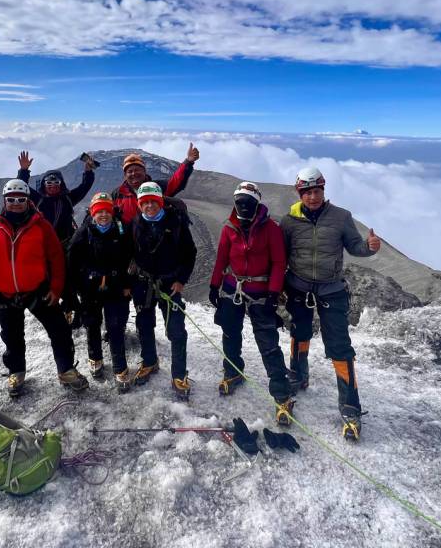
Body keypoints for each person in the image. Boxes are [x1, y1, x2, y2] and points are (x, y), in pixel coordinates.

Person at [279, 167, 381, 440]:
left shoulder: (341, 217)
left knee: (339, 346)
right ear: (299, 193)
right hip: (298, 287)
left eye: (317, 191)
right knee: (299, 333)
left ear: (323, 191)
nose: (313, 197)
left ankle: (350, 406)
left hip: (331, 290)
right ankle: (299, 375)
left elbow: (354, 246)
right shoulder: (288, 221)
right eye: (307, 192)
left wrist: (369, 247)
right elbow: (281, 256)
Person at [0, 179, 88, 396]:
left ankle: (65, 370)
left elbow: (56, 257)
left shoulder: (41, 226)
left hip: (37, 290)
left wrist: (56, 288)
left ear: (29, 201)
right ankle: (16, 372)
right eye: (11, 199)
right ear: (4, 201)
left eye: (21, 199)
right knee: (12, 337)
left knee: (59, 331)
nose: (16, 203)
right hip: (5, 293)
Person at [209, 182, 300, 423]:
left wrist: (273, 293)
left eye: (247, 202)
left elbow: (280, 263)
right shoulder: (229, 227)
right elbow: (221, 259)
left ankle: (282, 395)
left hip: (260, 291)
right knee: (230, 333)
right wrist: (213, 285)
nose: (243, 206)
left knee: (268, 342)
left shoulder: (271, 229)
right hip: (232, 287)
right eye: (239, 202)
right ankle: (233, 372)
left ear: (257, 203)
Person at [130, 182, 197, 399]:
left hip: (170, 284)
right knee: (144, 325)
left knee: (176, 330)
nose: (149, 206)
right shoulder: (134, 224)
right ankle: (150, 361)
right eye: (145, 202)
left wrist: (181, 281)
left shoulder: (176, 223)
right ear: (139, 204)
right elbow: (128, 253)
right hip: (144, 284)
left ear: (160, 202)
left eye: (153, 202)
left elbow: (190, 253)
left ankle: (179, 374)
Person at [17, 150, 97, 325]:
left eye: (56, 182)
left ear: (61, 184)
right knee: (49, 279)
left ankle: (74, 309)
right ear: (44, 184)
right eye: (48, 182)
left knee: (69, 279)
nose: (52, 185)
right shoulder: (38, 198)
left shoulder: (68, 198)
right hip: (44, 248)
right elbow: (21, 188)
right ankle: (64, 307)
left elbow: (84, 187)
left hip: (66, 246)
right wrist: (23, 170)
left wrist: (88, 171)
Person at [67, 192, 134, 391]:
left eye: (106, 210)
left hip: (116, 287)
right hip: (90, 289)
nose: (103, 215)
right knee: (92, 324)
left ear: (112, 212)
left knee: (115, 328)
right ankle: (95, 357)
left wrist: (128, 284)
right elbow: (71, 260)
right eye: (99, 211)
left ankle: (120, 367)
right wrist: (78, 287)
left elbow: (131, 259)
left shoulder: (122, 231)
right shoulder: (84, 233)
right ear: (93, 214)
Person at [112, 143, 200, 226]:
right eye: (129, 171)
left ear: (144, 172)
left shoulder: (157, 188)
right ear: (125, 175)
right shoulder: (118, 193)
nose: (134, 173)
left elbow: (176, 182)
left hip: (154, 238)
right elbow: (110, 214)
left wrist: (188, 162)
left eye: (137, 170)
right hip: (128, 240)